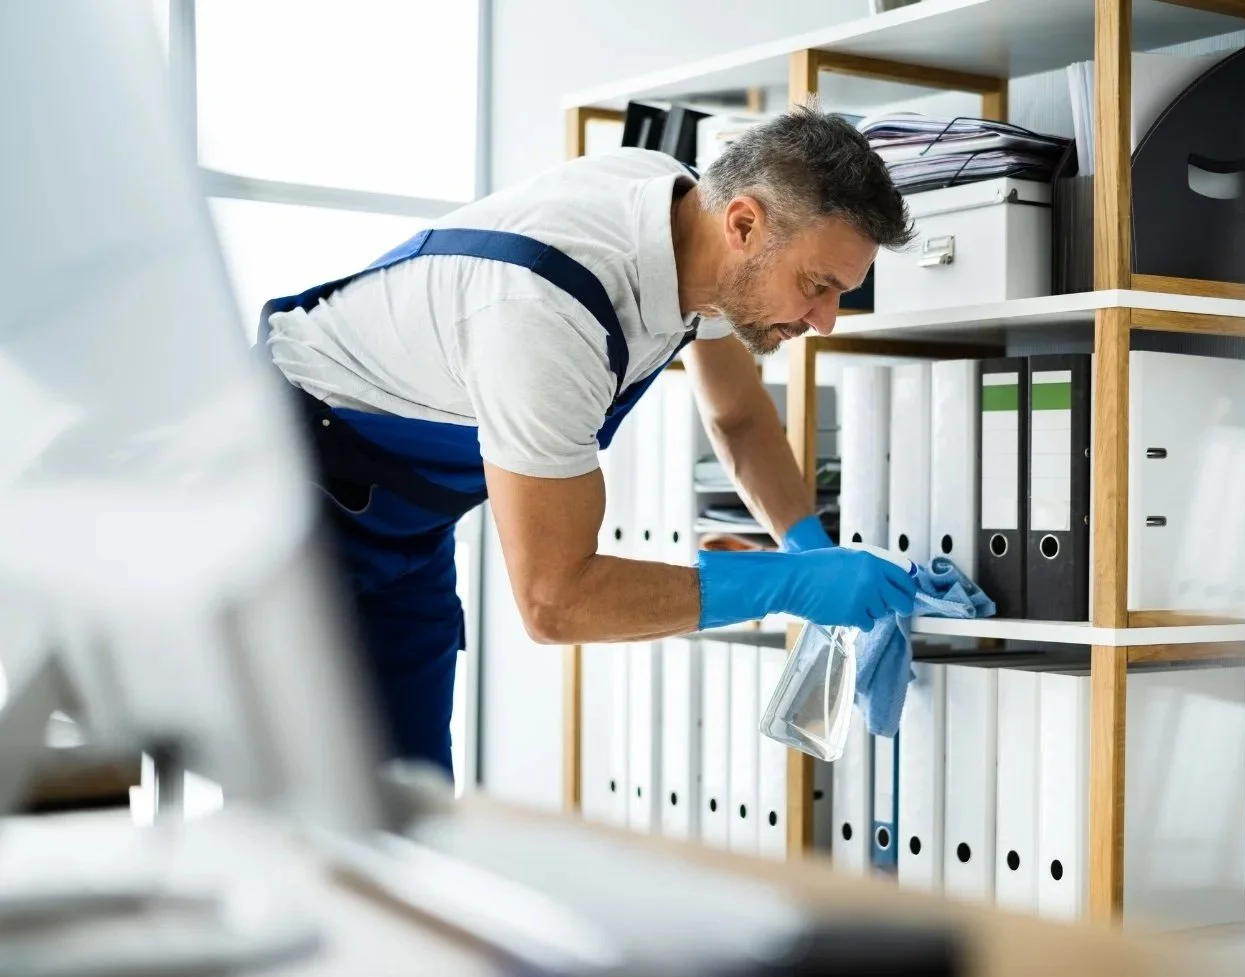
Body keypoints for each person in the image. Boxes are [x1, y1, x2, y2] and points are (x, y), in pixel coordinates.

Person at [258, 104, 918, 774]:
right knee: (293, 806)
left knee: (412, 794)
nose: (827, 322)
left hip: (406, 520)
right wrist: (790, 584)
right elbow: (555, 602)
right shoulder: (545, 315)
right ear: (743, 224)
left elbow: (738, 418)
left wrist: (808, 543)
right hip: (281, 499)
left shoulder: (691, 225)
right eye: (816, 287)